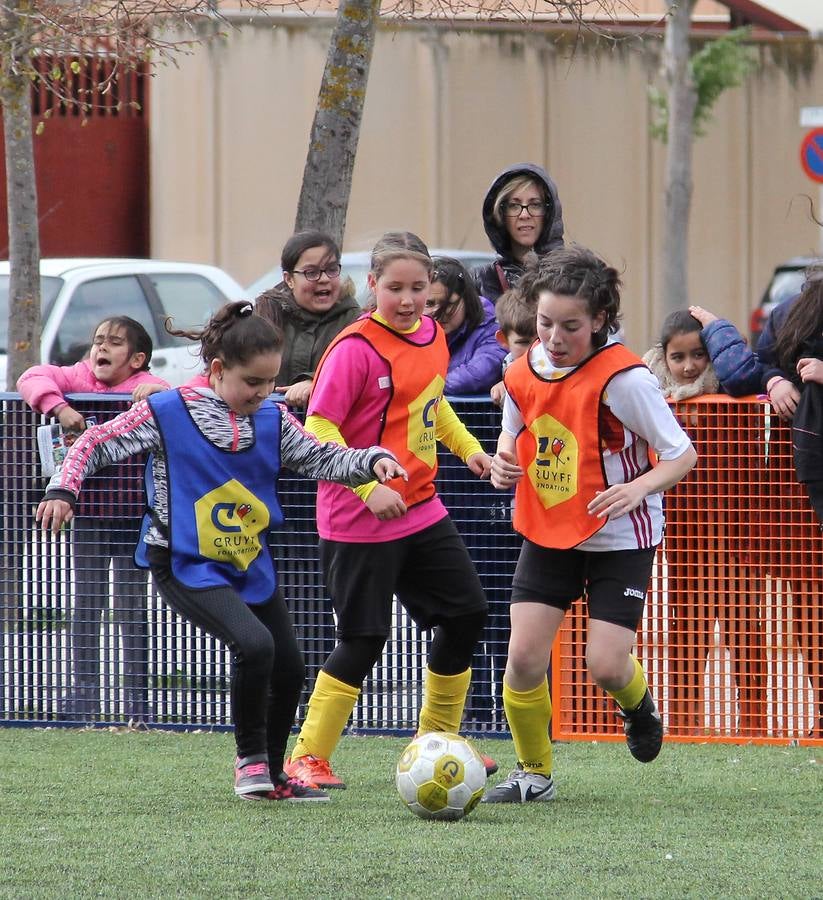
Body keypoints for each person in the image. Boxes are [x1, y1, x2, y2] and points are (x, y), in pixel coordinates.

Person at [36, 301, 407, 801]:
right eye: (253, 382)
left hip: (247, 560)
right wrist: (63, 489)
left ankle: (275, 775)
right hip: (184, 562)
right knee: (254, 646)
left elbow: (325, 457)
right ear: (217, 370)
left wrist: (374, 460)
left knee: (291, 666)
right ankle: (249, 761)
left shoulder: (273, 418)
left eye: (271, 381)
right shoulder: (166, 411)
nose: (264, 392)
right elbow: (95, 442)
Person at [482, 246, 697, 804]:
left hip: (620, 537)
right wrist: (505, 456)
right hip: (548, 527)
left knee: (604, 664)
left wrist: (638, 487)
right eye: (545, 322)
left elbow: (681, 454)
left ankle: (638, 706)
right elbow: (515, 425)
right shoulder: (523, 366)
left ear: (600, 321)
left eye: (569, 326)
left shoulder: (626, 380)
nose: (553, 337)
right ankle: (534, 774)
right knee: (524, 659)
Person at [284, 232, 497, 790]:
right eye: (395, 287)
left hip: (422, 507)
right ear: (373, 285)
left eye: (418, 288)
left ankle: (438, 741)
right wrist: (364, 485)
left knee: (467, 613)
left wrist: (472, 450)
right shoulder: (354, 349)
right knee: (364, 637)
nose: (407, 299)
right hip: (359, 517)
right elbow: (320, 427)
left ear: (433, 290)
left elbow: (433, 404)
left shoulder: (431, 334)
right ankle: (306, 756)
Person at [18, 316, 169, 721]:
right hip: (88, 515)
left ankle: (138, 701)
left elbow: (181, 397)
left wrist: (157, 392)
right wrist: (59, 406)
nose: (101, 348)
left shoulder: (149, 388)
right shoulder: (77, 377)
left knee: (131, 606)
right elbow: (32, 375)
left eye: (114, 343)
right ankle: (83, 695)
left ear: (137, 358)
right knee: (86, 603)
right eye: (98, 340)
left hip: (135, 516)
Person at [643, 309, 767, 736]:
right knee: (688, 627)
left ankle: (753, 721)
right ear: (664, 358)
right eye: (679, 357)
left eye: (698, 354)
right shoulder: (656, 399)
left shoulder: (733, 393)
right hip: (684, 534)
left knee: (743, 625)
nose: (690, 365)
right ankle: (684, 720)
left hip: (735, 533)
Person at [254, 230, 362, 408]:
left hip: (329, 430)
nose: (324, 279)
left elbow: (361, 373)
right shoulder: (266, 315)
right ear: (289, 279)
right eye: (311, 272)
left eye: (332, 270)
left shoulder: (356, 323)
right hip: (271, 425)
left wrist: (316, 382)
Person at [472, 163, 564, 305]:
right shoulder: (482, 281)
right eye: (514, 206)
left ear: (549, 212)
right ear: (501, 214)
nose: (524, 214)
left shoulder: (572, 275)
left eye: (535, 204)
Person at [424, 256, 506, 395]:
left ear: (467, 301)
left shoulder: (490, 332)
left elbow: (478, 375)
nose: (438, 312)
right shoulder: (410, 330)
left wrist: (420, 386)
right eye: (429, 304)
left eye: (449, 304)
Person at [489, 286, 538, 407]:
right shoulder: (509, 363)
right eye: (523, 342)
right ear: (503, 339)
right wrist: (505, 384)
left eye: (540, 341)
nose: (534, 349)